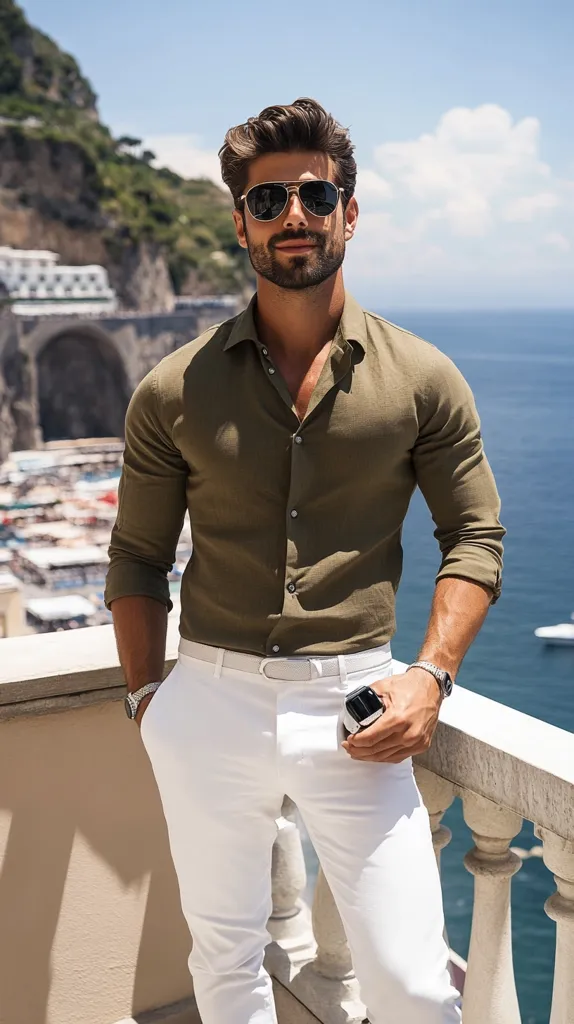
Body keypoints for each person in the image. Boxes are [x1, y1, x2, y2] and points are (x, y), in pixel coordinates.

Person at [105, 97, 505, 1024]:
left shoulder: (424, 380)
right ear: (240, 222)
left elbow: (475, 537)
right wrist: (147, 698)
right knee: (226, 962)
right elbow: (136, 556)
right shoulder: (172, 390)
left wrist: (431, 675)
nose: (295, 214)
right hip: (208, 703)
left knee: (414, 986)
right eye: (268, 199)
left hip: (357, 706)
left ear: (349, 214)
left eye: (316, 195)